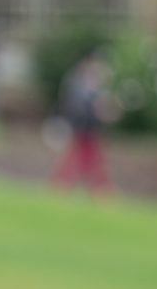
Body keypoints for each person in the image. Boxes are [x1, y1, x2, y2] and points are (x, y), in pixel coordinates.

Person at [49, 49, 114, 194]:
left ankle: (61, 186)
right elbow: (77, 105)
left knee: (87, 160)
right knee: (86, 160)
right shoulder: (77, 81)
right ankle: (99, 190)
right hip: (82, 127)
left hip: (89, 128)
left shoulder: (89, 81)